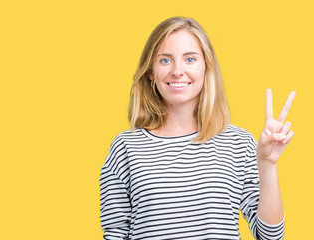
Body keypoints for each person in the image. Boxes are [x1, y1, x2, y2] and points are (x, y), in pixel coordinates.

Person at [99, 16, 295, 240]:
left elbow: (269, 236)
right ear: (151, 71)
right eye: (165, 60)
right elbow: (115, 235)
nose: (177, 70)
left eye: (190, 59)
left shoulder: (239, 143)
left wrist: (268, 165)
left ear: (206, 67)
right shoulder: (125, 147)